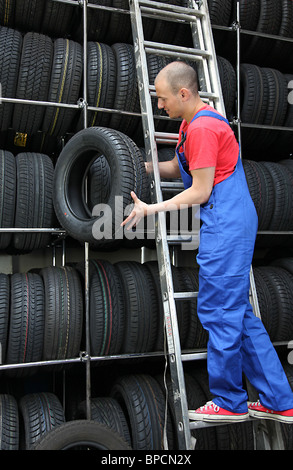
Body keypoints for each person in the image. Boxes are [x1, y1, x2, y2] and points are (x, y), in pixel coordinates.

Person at [121, 60, 293, 424]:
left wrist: (153, 208)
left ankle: (229, 400)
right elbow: (178, 167)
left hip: (226, 224)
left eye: (164, 98)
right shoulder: (192, 124)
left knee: (219, 311)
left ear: (184, 93)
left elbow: (199, 191)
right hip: (225, 219)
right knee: (239, 314)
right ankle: (280, 400)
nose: (160, 105)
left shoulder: (201, 130)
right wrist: (138, 165)